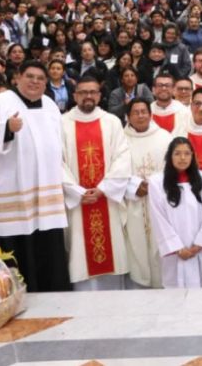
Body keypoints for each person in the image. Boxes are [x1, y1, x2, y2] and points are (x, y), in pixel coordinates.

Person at [0, 60, 71, 291]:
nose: (35, 82)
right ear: (18, 77)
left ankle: (53, 291)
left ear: (46, 83)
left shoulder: (50, 105)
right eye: (30, 76)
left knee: (48, 245)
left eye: (40, 78)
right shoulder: (0, 102)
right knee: (18, 247)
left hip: (46, 191)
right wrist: (6, 128)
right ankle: (14, 294)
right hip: (13, 190)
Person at [62, 76, 132, 290]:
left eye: (93, 92)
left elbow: (122, 157)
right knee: (81, 254)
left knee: (110, 252)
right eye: (83, 92)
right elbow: (56, 162)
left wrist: (103, 189)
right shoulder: (62, 123)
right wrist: (77, 192)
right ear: (75, 96)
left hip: (106, 199)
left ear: (100, 95)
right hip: (79, 202)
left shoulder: (111, 122)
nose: (88, 96)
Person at [147, 137, 202, 288]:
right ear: (169, 156)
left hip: (200, 248)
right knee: (176, 293)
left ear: (192, 156)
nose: (182, 158)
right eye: (177, 153)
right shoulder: (157, 182)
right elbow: (158, 217)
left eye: (187, 153)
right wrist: (176, 247)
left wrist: (200, 242)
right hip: (175, 252)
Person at [122, 98, 174, 288]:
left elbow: (173, 167)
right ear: (128, 117)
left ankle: (163, 282)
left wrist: (154, 185)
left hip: (158, 201)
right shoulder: (120, 139)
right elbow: (114, 170)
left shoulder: (165, 137)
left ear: (150, 114)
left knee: (159, 242)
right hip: (133, 202)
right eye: (135, 112)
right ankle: (139, 284)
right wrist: (134, 186)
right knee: (135, 244)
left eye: (144, 111)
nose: (140, 115)